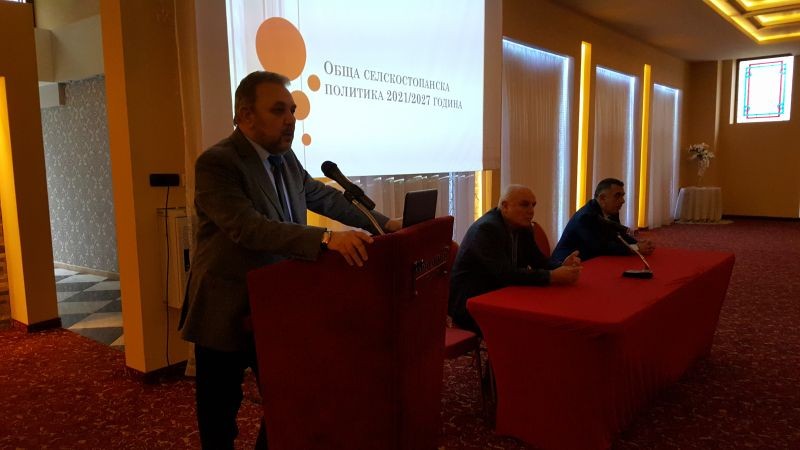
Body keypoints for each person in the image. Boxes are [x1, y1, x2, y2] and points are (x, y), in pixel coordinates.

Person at [179, 71, 401, 449]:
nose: (290, 119)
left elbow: (322, 196)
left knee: (292, 400)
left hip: (276, 304)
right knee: (219, 415)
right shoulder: (218, 163)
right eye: (278, 110)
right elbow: (248, 228)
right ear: (246, 116)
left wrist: (383, 224)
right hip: (225, 305)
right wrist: (327, 239)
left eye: (293, 110)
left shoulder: (286, 158)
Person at [448, 185, 582, 334]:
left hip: (502, 294)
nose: (531, 211)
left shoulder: (523, 227)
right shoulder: (486, 229)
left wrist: (560, 265)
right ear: (505, 206)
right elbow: (505, 274)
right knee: (535, 324)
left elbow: (538, 261)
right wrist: (551, 276)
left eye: (533, 205)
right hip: (472, 302)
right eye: (524, 205)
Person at [551, 178, 655, 264]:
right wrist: (635, 248)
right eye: (617, 196)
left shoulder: (611, 211)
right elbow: (600, 247)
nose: (623, 200)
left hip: (591, 260)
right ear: (602, 198)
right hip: (565, 263)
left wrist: (638, 243)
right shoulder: (585, 217)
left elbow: (618, 236)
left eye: (622, 196)